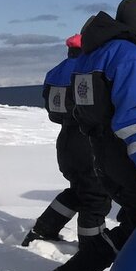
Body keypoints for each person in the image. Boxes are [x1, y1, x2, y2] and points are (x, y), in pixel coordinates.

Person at [41, 0, 136, 271]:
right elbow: (131, 115)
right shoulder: (129, 55)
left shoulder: (92, 56)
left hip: (106, 155)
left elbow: (82, 110)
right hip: (132, 159)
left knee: (135, 223)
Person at [22, 33, 112, 248]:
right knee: (96, 197)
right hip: (86, 140)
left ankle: (43, 230)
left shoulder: (54, 72)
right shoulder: (86, 70)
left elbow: (53, 112)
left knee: (79, 190)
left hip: (65, 141)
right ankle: (91, 250)